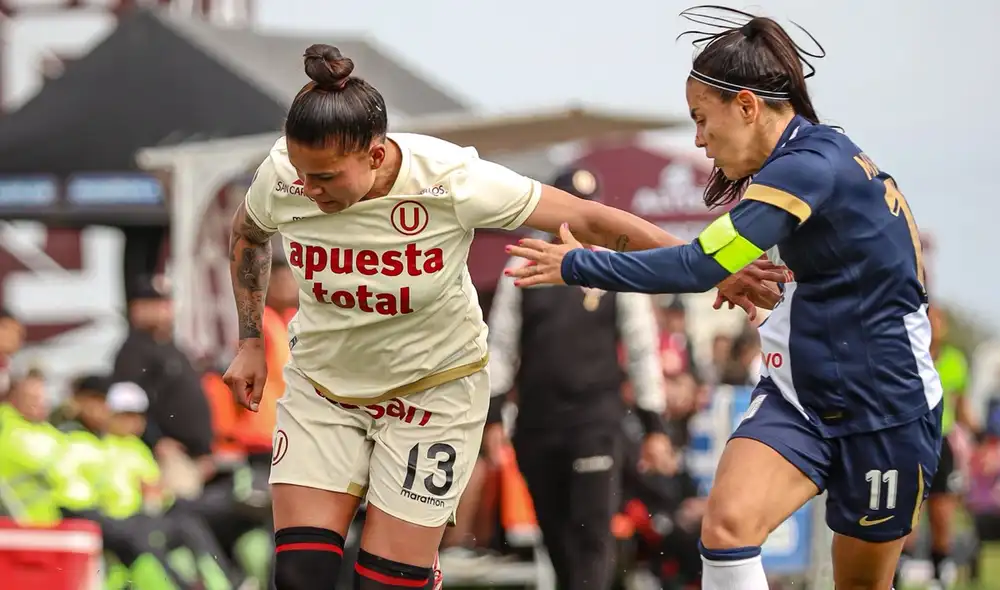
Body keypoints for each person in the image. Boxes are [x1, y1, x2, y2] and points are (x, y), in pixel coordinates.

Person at [221, 43, 785, 590]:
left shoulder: (450, 179)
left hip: (429, 399)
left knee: (386, 582)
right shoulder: (284, 176)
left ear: (374, 154)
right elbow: (249, 236)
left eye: (325, 178)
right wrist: (250, 340)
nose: (310, 190)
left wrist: (716, 263)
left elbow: (589, 220)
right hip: (325, 393)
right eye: (302, 174)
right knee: (300, 574)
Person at [505, 7, 942, 590]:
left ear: (747, 105)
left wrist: (580, 264)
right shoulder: (812, 156)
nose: (697, 138)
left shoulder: (806, 167)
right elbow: (707, 258)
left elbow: (697, 262)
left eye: (702, 118)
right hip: (802, 397)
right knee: (727, 528)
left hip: (886, 406)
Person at [485, 165, 673, 589]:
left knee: (591, 536)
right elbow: (500, 344)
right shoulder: (525, 262)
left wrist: (653, 425)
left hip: (596, 422)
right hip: (536, 425)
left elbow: (642, 349)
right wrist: (493, 415)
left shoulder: (614, 267)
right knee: (557, 540)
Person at [897, 306, 978, 588]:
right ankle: (896, 577)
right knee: (908, 518)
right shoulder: (905, 355)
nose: (936, 325)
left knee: (943, 518)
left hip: (942, 444)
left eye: (939, 320)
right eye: (930, 319)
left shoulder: (955, 361)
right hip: (910, 442)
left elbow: (962, 407)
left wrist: (982, 439)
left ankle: (939, 580)